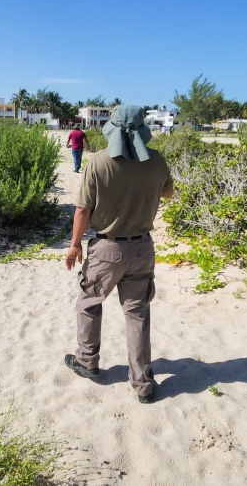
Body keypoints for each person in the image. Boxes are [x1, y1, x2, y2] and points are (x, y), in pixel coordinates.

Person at [64, 105, 174, 404]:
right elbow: (168, 192)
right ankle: (143, 384)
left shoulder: (99, 162)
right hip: (142, 248)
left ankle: (88, 362)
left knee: (89, 303)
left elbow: (83, 208)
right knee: (137, 314)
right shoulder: (156, 161)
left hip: (106, 248)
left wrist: (75, 245)